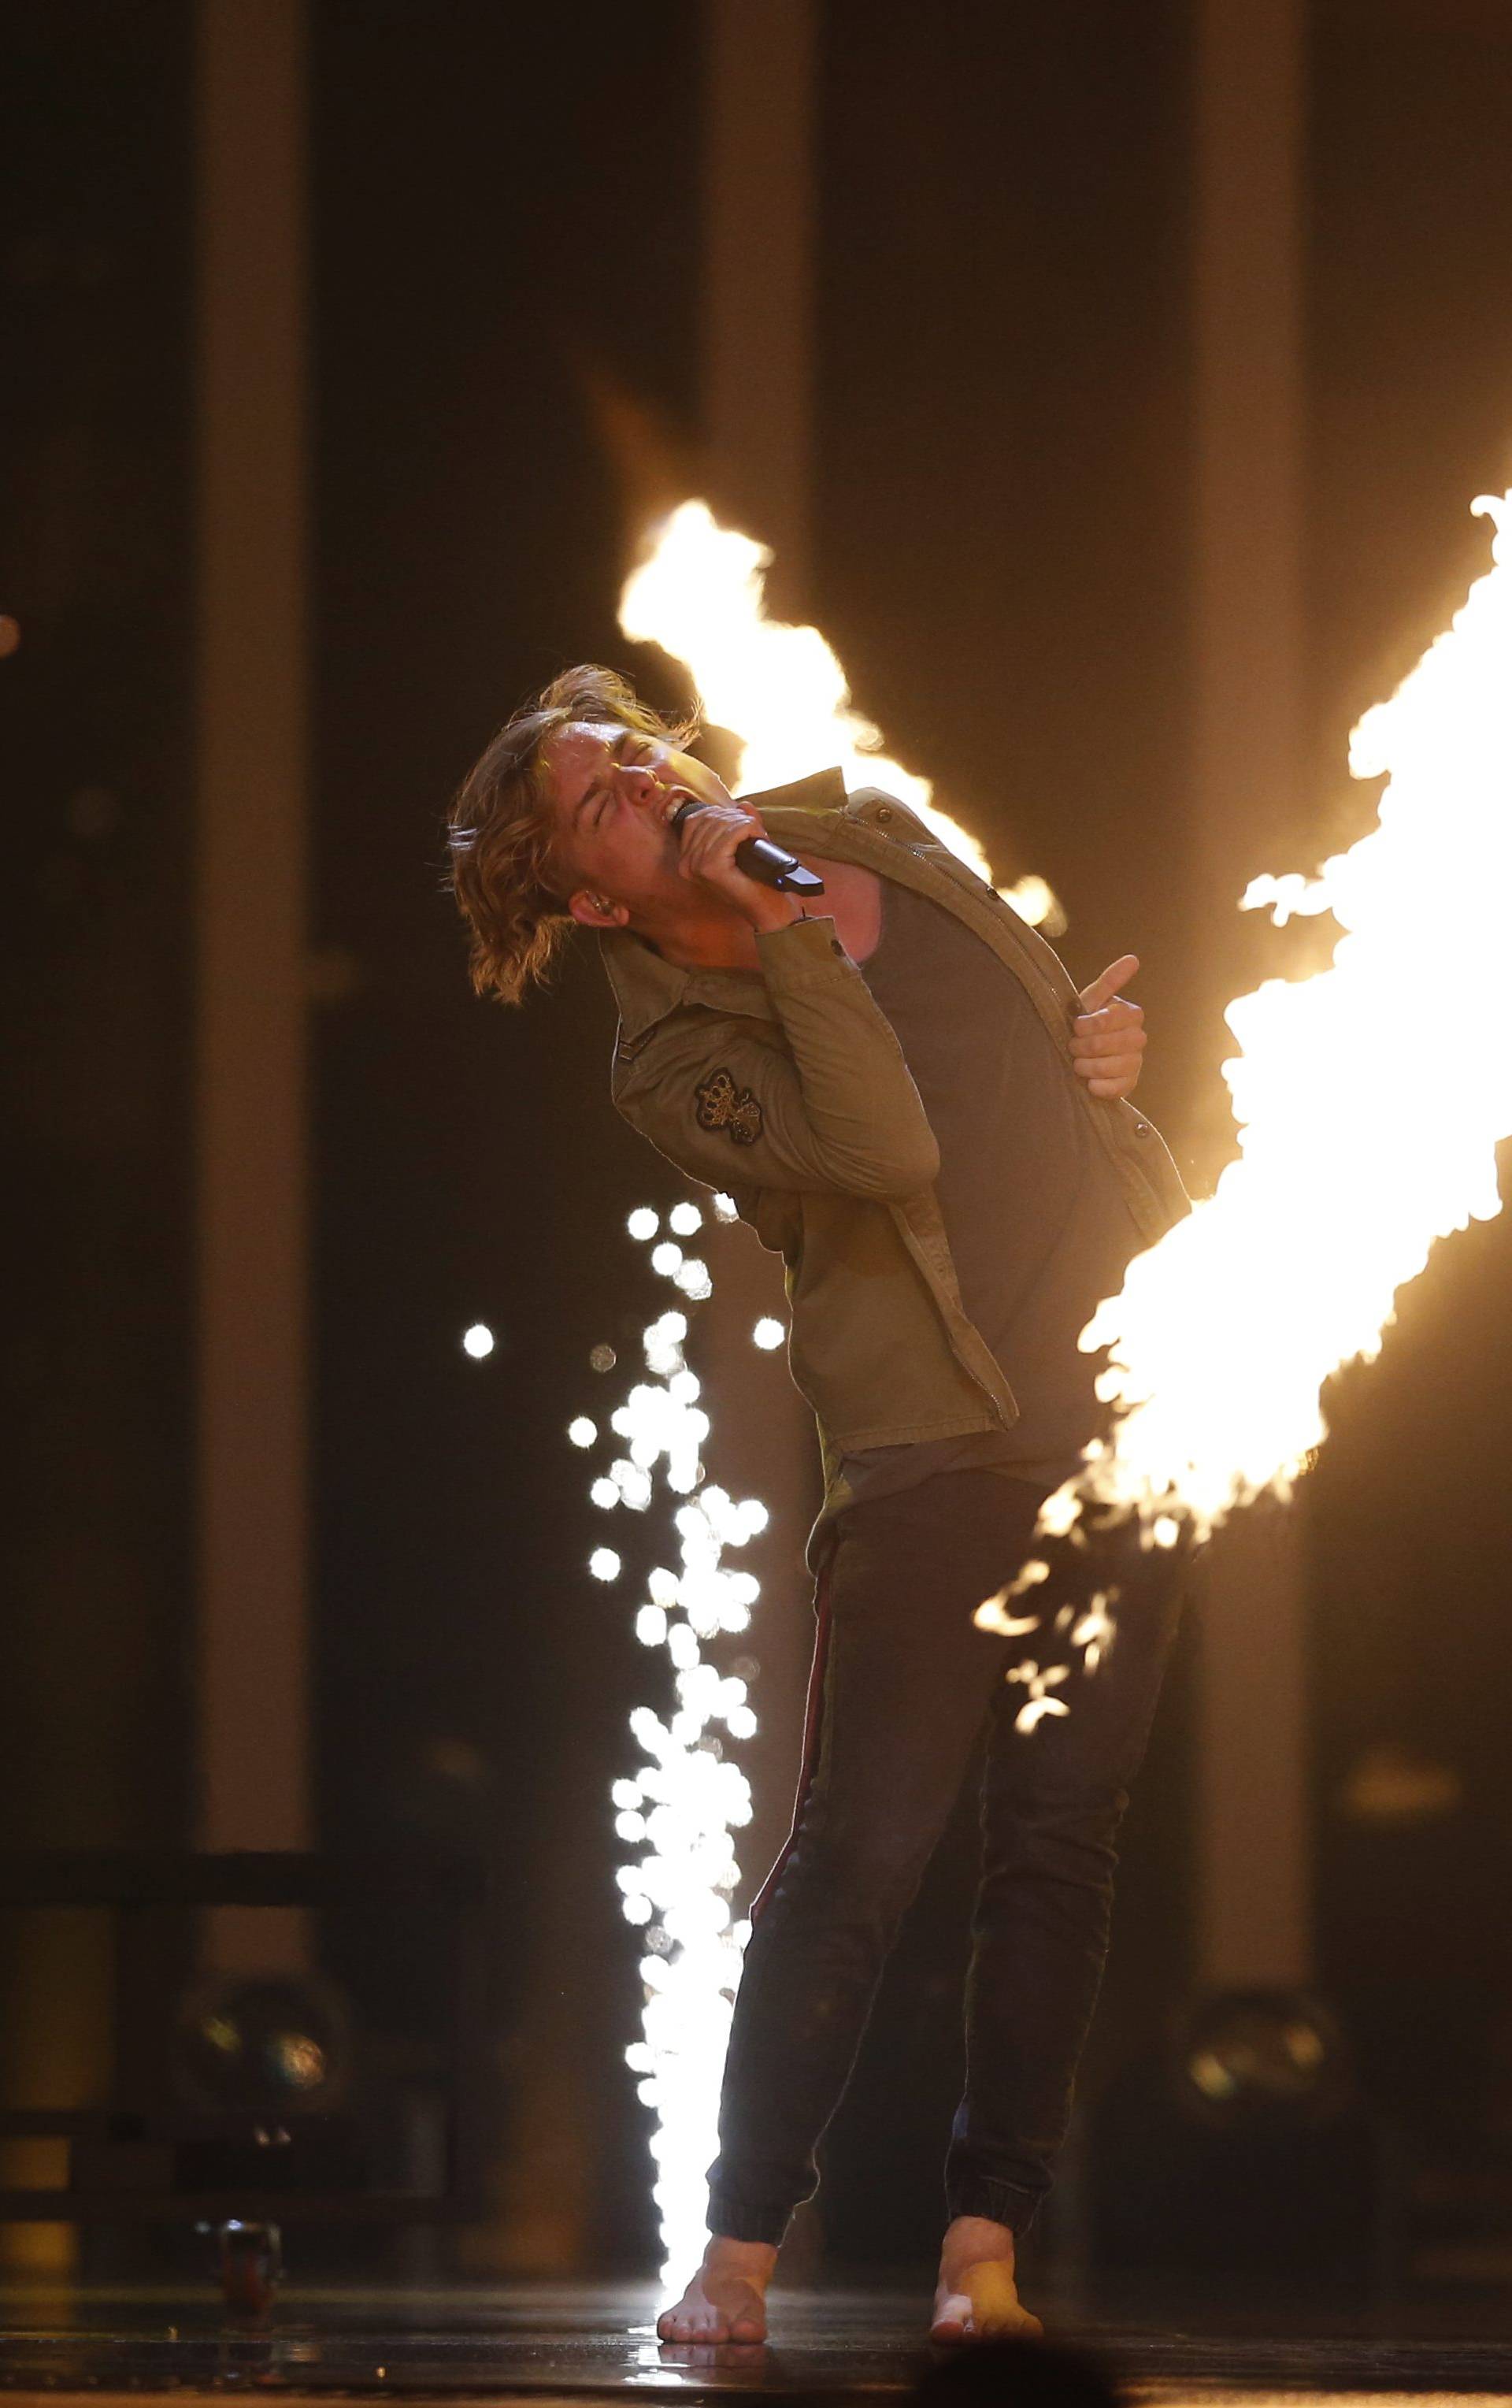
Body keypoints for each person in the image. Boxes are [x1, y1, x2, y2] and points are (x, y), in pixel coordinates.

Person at [447, 666, 1189, 2343]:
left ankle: (983, 2249)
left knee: (1062, 1845)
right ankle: (735, 2254)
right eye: (597, 795)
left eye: (632, 749)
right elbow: (885, 1150)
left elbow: (1041, 1047)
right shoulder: (675, 1058)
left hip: (1117, 1405)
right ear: (586, 889)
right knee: (862, 1851)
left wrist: (1108, 1060)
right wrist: (778, 920)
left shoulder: (868, 825)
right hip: (933, 1443)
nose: (641, 776)